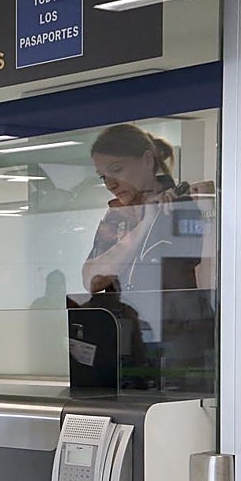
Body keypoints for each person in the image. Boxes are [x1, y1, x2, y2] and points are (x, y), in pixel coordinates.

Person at [82, 123, 216, 391]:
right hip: (130, 343)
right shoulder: (117, 216)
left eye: (117, 170)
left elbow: (211, 279)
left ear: (146, 160)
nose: (110, 184)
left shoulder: (184, 205)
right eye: (103, 176)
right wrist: (144, 224)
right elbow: (92, 279)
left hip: (181, 345)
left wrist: (210, 213)